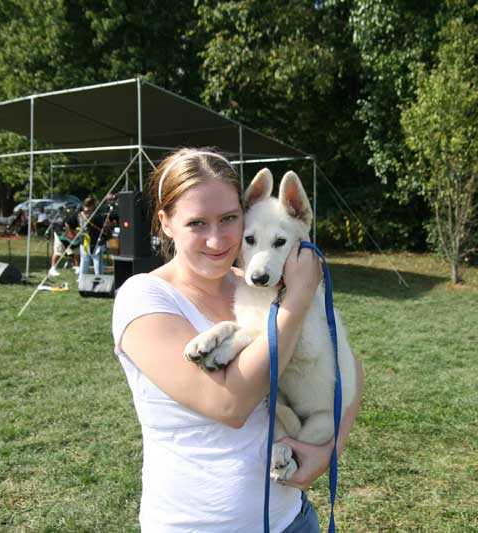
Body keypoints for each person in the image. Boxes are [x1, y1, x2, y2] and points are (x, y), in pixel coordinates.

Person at [111, 149, 362, 532]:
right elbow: (230, 403)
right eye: (197, 222)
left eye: (229, 218)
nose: (216, 239)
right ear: (165, 223)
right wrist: (295, 300)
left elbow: (349, 364)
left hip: (291, 519)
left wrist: (330, 447)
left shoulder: (254, 284)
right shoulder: (144, 298)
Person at [77, 197, 106, 281]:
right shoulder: (95, 215)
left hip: (84, 240)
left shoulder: (80, 214)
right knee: (97, 261)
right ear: (92, 205)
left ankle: (81, 279)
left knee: (84, 261)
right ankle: (99, 279)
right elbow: (103, 224)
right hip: (95, 240)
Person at [48, 207, 80, 276]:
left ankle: (77, 268)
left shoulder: (84, 218)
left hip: (72, 233)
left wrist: (75, 234)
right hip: (61, 233)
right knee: (58, 251)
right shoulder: (73, 217)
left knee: (76, 251)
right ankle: (52, 269)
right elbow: (67, 224)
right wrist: (71, 234)